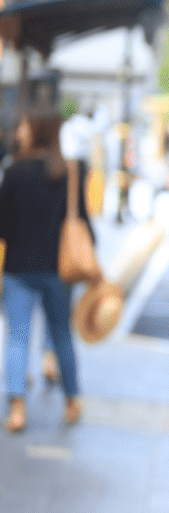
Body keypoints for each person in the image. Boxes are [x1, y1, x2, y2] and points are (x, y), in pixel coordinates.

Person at [0, 109, 90, 432]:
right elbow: (84, 223)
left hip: (18, 268)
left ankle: (18, 410)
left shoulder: (15, 172)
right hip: (58, 271)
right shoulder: (68, 172)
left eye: (24, 125)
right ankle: (72, 401)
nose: (20, 130)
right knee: (62, 335)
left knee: (17, 338)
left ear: (36, 131)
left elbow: (3, 226)